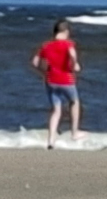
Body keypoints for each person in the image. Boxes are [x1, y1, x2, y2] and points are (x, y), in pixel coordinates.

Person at [32, 19, 86, 149]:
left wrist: (43, 73)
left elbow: (35, 62)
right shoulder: (68, 44)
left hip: (51, 80)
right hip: (66, 79)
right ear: (66, 31)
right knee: (74, 102)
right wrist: (75, 64)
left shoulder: (46, 45)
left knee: (56, 110)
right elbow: (72, 54)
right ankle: (74, 132)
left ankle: (51, 141)